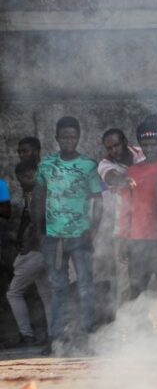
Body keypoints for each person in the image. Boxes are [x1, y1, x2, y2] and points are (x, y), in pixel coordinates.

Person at [33, 116, 103, 354]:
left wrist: (93, 231)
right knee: (57, 288)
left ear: (79, 137)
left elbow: (98, 201)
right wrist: (39, 232)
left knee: (85, 286)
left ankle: (87, 337)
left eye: (73, 136)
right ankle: (57, 339)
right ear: (57, 138)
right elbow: (38, 198)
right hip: (53, 238)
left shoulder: (88, 166)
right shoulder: (46, 165)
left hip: (80, 236)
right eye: (64, 136)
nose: (69, 140)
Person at [118, 117, 157, 303]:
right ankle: (138, 329)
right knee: (137, 289)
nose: (149, 149)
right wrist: (123, 238)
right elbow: (126, 207)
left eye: (154, 144)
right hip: (137, 239)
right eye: (145, 144)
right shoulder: (132, 172)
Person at [96, 128, 145, 315]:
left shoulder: (141, 152)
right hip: (122, 228)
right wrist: (122, 181)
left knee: (150, 278)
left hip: (146, 226)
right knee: (124, 280)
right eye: (109, 148)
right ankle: (125, 326)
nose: (113, 150)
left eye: (116, 145)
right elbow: (111, 177)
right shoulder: (104, 164)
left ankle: (155, 325)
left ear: (125, 141)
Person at [5, 160, 50, 348]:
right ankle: (53, 334)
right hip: (45, 250)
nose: (24, 181)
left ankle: (27, 335)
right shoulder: (34, 193)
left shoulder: (38, 193)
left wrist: (29, 245)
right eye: (22, 178)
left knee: (14, 292)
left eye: (26, 177)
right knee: (47, 294)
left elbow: (38, 224)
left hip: (37, 251)